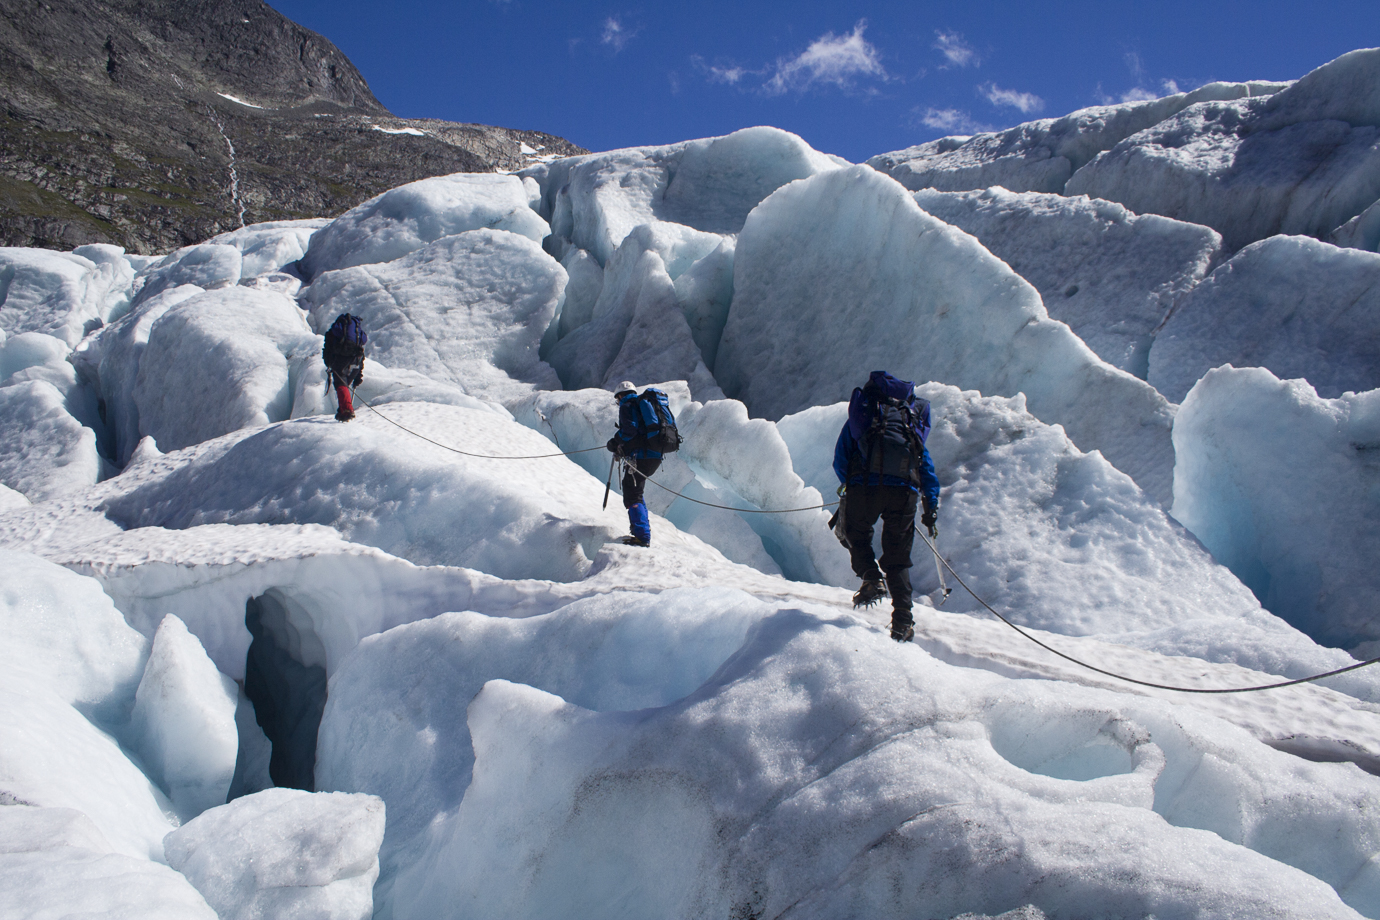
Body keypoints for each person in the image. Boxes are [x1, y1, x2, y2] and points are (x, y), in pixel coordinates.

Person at [833, 370, 941, 642]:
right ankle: (903, 622)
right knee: (897, 557)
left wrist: (851, 485)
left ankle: (871, 577)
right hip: (905, 492)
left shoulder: (866, 417)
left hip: (866, 487)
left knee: (854, 532)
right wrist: (931, 505)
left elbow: (841, 457)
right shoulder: (909, 422)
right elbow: (924, 464)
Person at [606, 381, 662, 547]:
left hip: (641, 457)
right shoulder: (641, 405)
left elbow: (629, 430)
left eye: (618, 399)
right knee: (636, 491)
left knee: (632, 493)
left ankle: (642, 536)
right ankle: (641, 532)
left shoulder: (627, 405)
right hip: (654, 456)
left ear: (621, 395)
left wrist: (615, 442)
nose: (618, 402)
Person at [323, 313, 366, 422]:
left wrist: (328, 362)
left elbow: (327, 346)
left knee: (340, 384)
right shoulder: (357, 333)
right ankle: (342, 410)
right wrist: (359, 374)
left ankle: (347, 410)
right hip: (356, 359)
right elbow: (361, 351)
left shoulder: (334, 332)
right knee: (344, 385)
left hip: (341, 360)